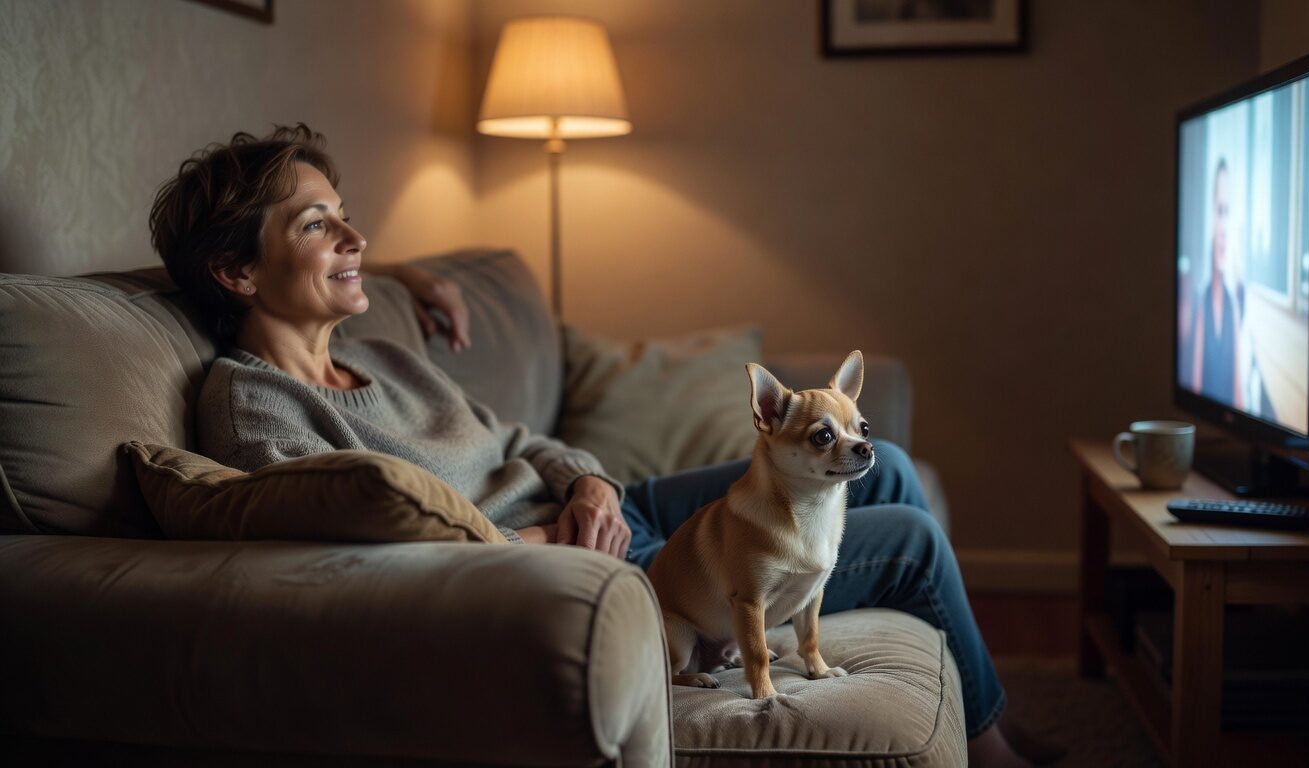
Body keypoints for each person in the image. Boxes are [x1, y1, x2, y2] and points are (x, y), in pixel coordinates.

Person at [151, 125, 1049, 767]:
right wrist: (551, 540)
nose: (355, 238)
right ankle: (993, 747)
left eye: (345, 216)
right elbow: (347, 551)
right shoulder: (251, 405)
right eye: (319, 226)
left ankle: (981, 717)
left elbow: (523, 439)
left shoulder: (384, 356)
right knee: (913, 539)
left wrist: (588, 486)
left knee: (882, 462)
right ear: (235, 272)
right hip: (595, 571)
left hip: (618, 515)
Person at [1191, 158, 1241, 409]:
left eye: (1228, 212)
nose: (1223, 228)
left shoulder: (1234, 305)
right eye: (1218, 211)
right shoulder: (1200, 302)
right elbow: (1196, 386)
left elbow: (1239, 395)